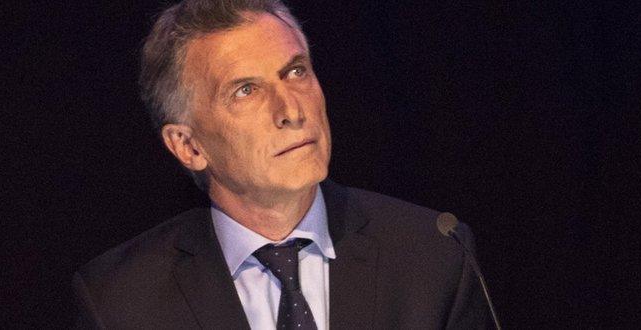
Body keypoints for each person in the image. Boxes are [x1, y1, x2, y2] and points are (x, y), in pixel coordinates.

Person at [71, 0, 489, 329]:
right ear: (188, 145)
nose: (290, 109)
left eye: (295, 71)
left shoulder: (433, 258)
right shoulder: (119, 301)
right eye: (246, 90)